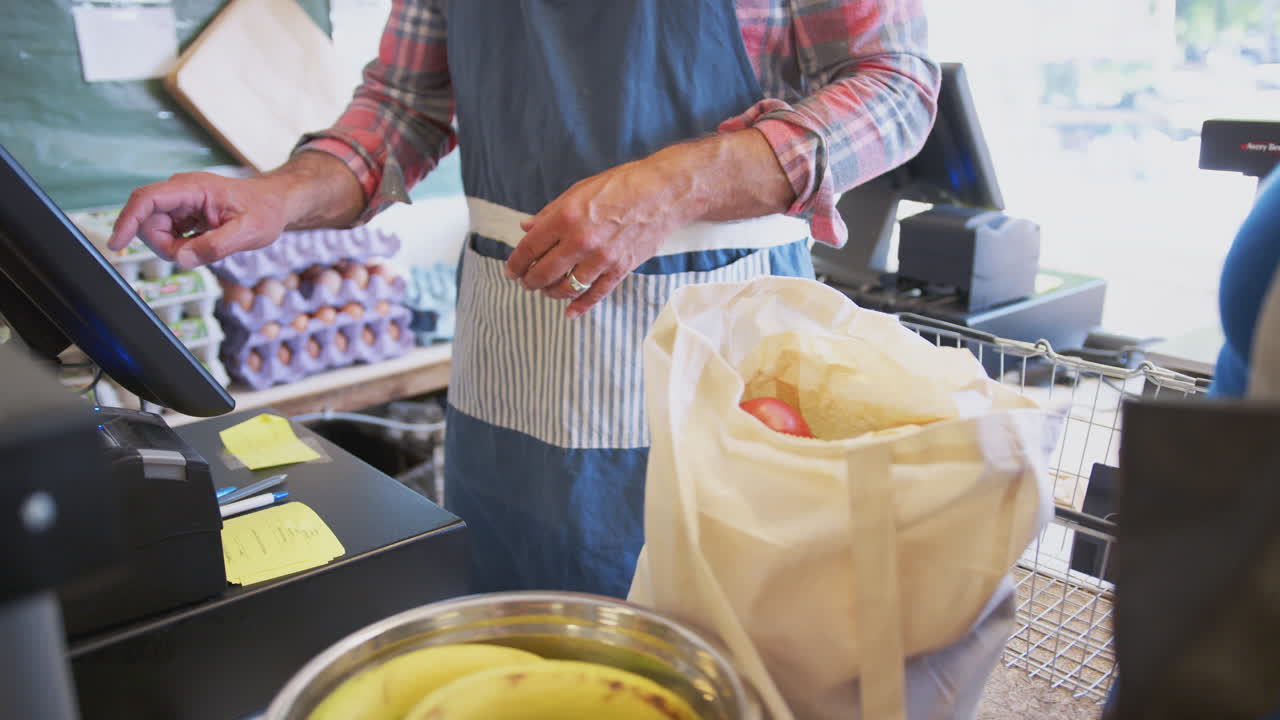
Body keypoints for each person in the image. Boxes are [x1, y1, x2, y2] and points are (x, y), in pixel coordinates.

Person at [108, 0, 940, 598]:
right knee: (517, 618)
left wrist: (672, 186)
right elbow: (404, 106)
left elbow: (896, 86)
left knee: (716, 625)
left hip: (723, 335)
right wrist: (279, 197)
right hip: (517, 364)